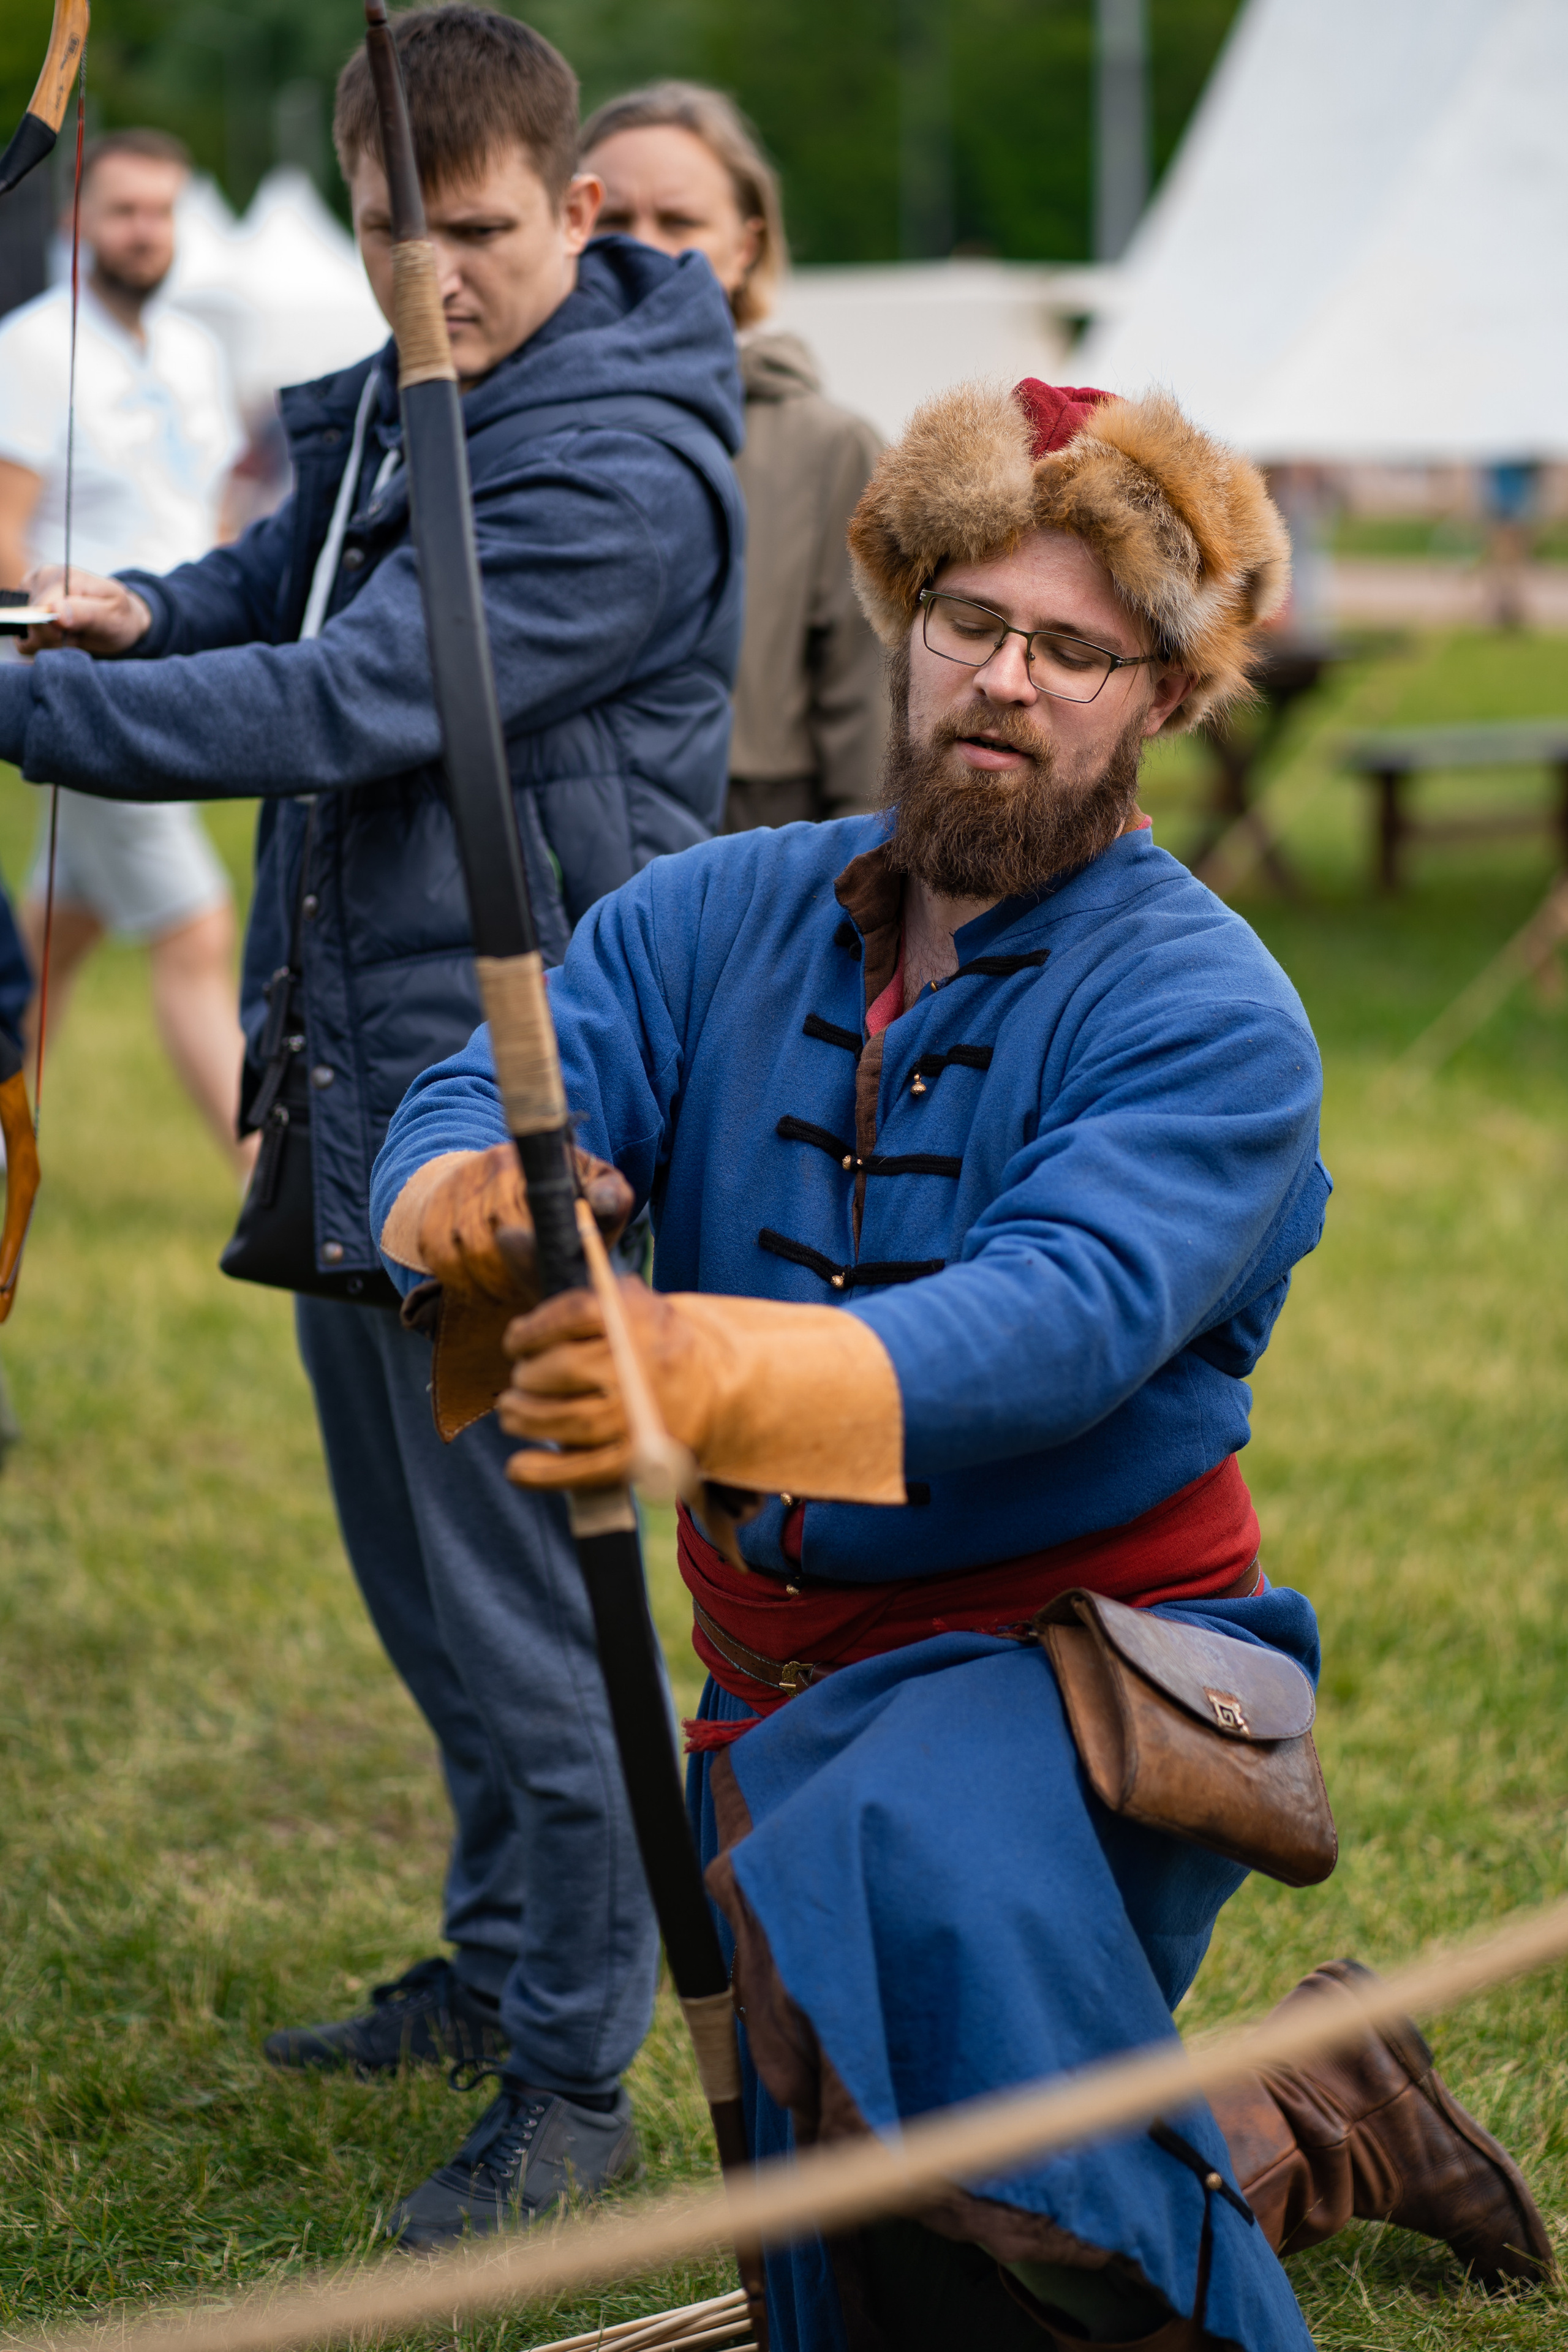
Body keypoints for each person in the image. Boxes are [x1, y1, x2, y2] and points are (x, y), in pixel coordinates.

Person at [372, 379, 1552, 2338]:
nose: (1004, 680)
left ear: (1162, 696)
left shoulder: (1213, 1014)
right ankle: (1320, 2106)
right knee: (891, 2253)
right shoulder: (711, 910)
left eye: (1072, 647)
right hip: (775, 1688)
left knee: (922, 1978)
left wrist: (692, 1365)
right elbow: (496, 1085)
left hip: (1074, 1673)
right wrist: (472, 1200)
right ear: (906, 622)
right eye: (968, 622)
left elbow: (1055, 1317)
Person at [0, 6, 744, 2244]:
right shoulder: (441, 391)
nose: (431, 277)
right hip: (365, 1088)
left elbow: (359, 690)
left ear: (578, 210)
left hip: (525, 1120)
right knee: (429, 1605)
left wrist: (27, 711)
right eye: (386, 230)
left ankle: (567, 2089)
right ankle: (492, 1961)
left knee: (538, 1616)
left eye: (483, 233)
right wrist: (130, 609)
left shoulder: (609, 458)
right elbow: (291, 587)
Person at [0, 130, 251, 1176]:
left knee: (49, 944)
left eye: (162, 212)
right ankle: (276, 1190)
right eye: (123, 211)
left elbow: (221, 506)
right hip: (87, 690)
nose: (145, 232)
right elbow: (4, 532)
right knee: (196, 934)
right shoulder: (29, 346)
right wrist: (41, 642)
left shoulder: (190, 348)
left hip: (175, 677)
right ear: (75, 222)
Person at [581, 83, 886, 831]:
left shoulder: (828, 450)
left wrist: (863, 915)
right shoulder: (509, 430)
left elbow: (874, 733)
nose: (641, 245)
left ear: (744, 248)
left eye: (679, 219)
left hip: (748, 866)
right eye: (611, 218)